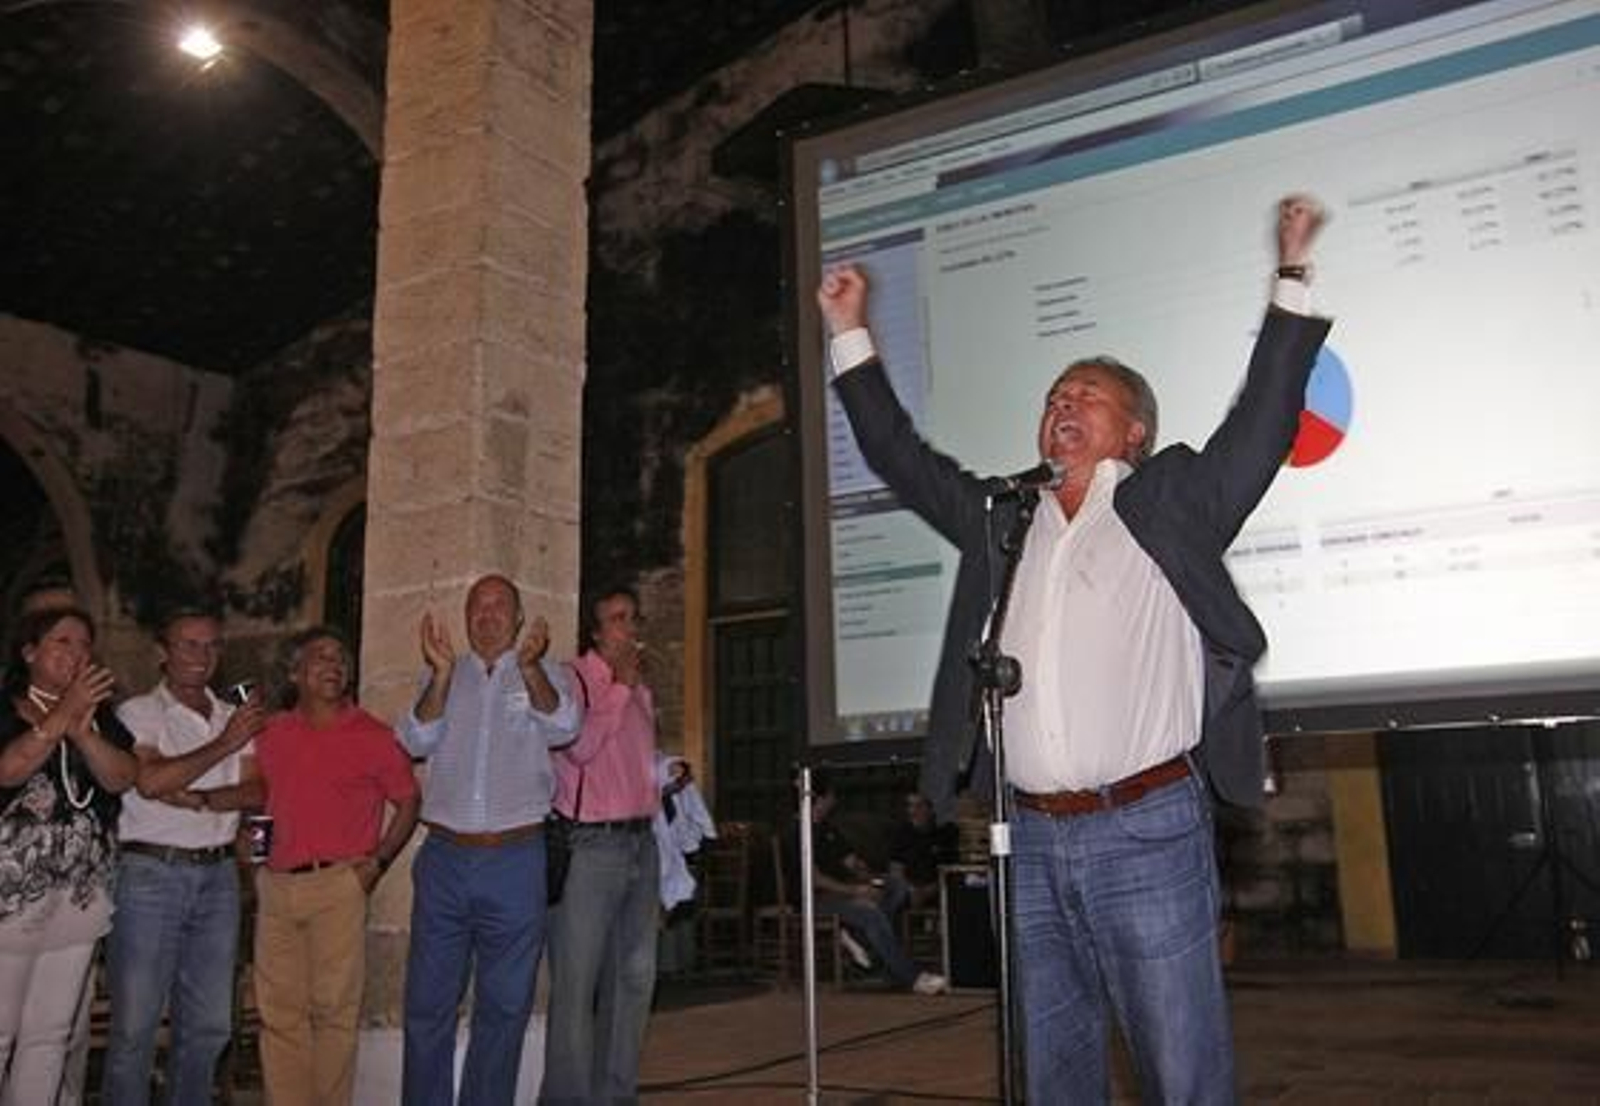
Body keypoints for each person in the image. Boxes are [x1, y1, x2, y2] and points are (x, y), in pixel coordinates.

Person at [818, 195, 1331, 1102]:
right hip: (1027, 838)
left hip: (1147, 830)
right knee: (1053, 1073)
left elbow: (1263, 422)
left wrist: (1290, 273)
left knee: (1181, 1072)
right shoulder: (1002, 519)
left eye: (1089, 394)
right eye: (1056, 395)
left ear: (1133, 432)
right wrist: (849, 332)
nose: (1065, 403)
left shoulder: (1169, 503)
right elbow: (901, 458)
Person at [397, 575, 581, 1106]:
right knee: (427, 1004)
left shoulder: (548, 673)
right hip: (445, 859)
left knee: (504, 1008)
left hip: (516, 860)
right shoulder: (442, 675)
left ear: (518, 618)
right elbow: (414, 739)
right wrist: (439, 675)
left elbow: (565, 727)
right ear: (466, 616)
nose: (488, 614)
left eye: (500, 605)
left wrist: (529, 668)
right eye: (478, 605)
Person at [99, 609, 265, 1105]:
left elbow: (256, 790)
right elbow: (150, 780)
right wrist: (225, 744)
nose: (202, 654)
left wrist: (200, 798)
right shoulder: (138, 713)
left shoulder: (232, 714)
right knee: (135, 1027)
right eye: (189, 644)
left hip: (218, 876)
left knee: (210, 1026)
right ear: (162, 653)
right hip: (150, 874)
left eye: (211, 645)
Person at [252, 626, 420, 1106]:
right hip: (277, 886)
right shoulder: (273, 733)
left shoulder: (373, 735)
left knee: (333, 1014)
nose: (335, 665)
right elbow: (264, 802)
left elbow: (408, 801)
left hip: (338, 885)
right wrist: (258, 862)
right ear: (295, 673)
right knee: (279, 1016)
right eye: (321, 657)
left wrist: (376, 865)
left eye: (341, 658)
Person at [0, 606, 137, 1104]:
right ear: (29, 652)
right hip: (10, 895)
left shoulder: (100, 718)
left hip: (78, 895)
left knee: (50, 1034)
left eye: (84, 645)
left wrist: (82, 729)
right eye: (62, 641)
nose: (77, 653)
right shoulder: (7, 707)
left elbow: (123, 778)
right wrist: (63, 714)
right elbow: (9, 770)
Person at [541, 587, 661, 1105]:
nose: (630, 627)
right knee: (577, 986)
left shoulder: (640, 690)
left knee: (634, 978)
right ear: (594, 632)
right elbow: (579, 747)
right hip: (591, 846)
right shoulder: (572, 679)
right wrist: (619, 687)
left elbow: (632, 764)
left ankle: (615, 1096)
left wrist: (665, 775)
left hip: (641, 843)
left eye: (633, 617)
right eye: (618, 618)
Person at [787, 769, 947, 994]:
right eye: (830, 795)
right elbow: (816, 880)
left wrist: (872, 880)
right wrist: (856, 891)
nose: (834, 800)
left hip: (843, 891)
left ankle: (860, 939)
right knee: (870, 913)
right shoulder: (799, 831)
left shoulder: (828, 829)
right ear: (819, 799)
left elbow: (852, 862)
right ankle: (913, 977)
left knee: (897, 887)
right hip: (815, 899)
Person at [888, 792, 958, 910]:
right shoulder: (901, 834)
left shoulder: (944, 834)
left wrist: (928, 891)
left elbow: (950, 870)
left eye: (919, 806)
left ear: (930, 809)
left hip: (937, 888)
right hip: (909, 889)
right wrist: (911, 890)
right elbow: (895, 869)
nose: (913, 811)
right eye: (909, 806)